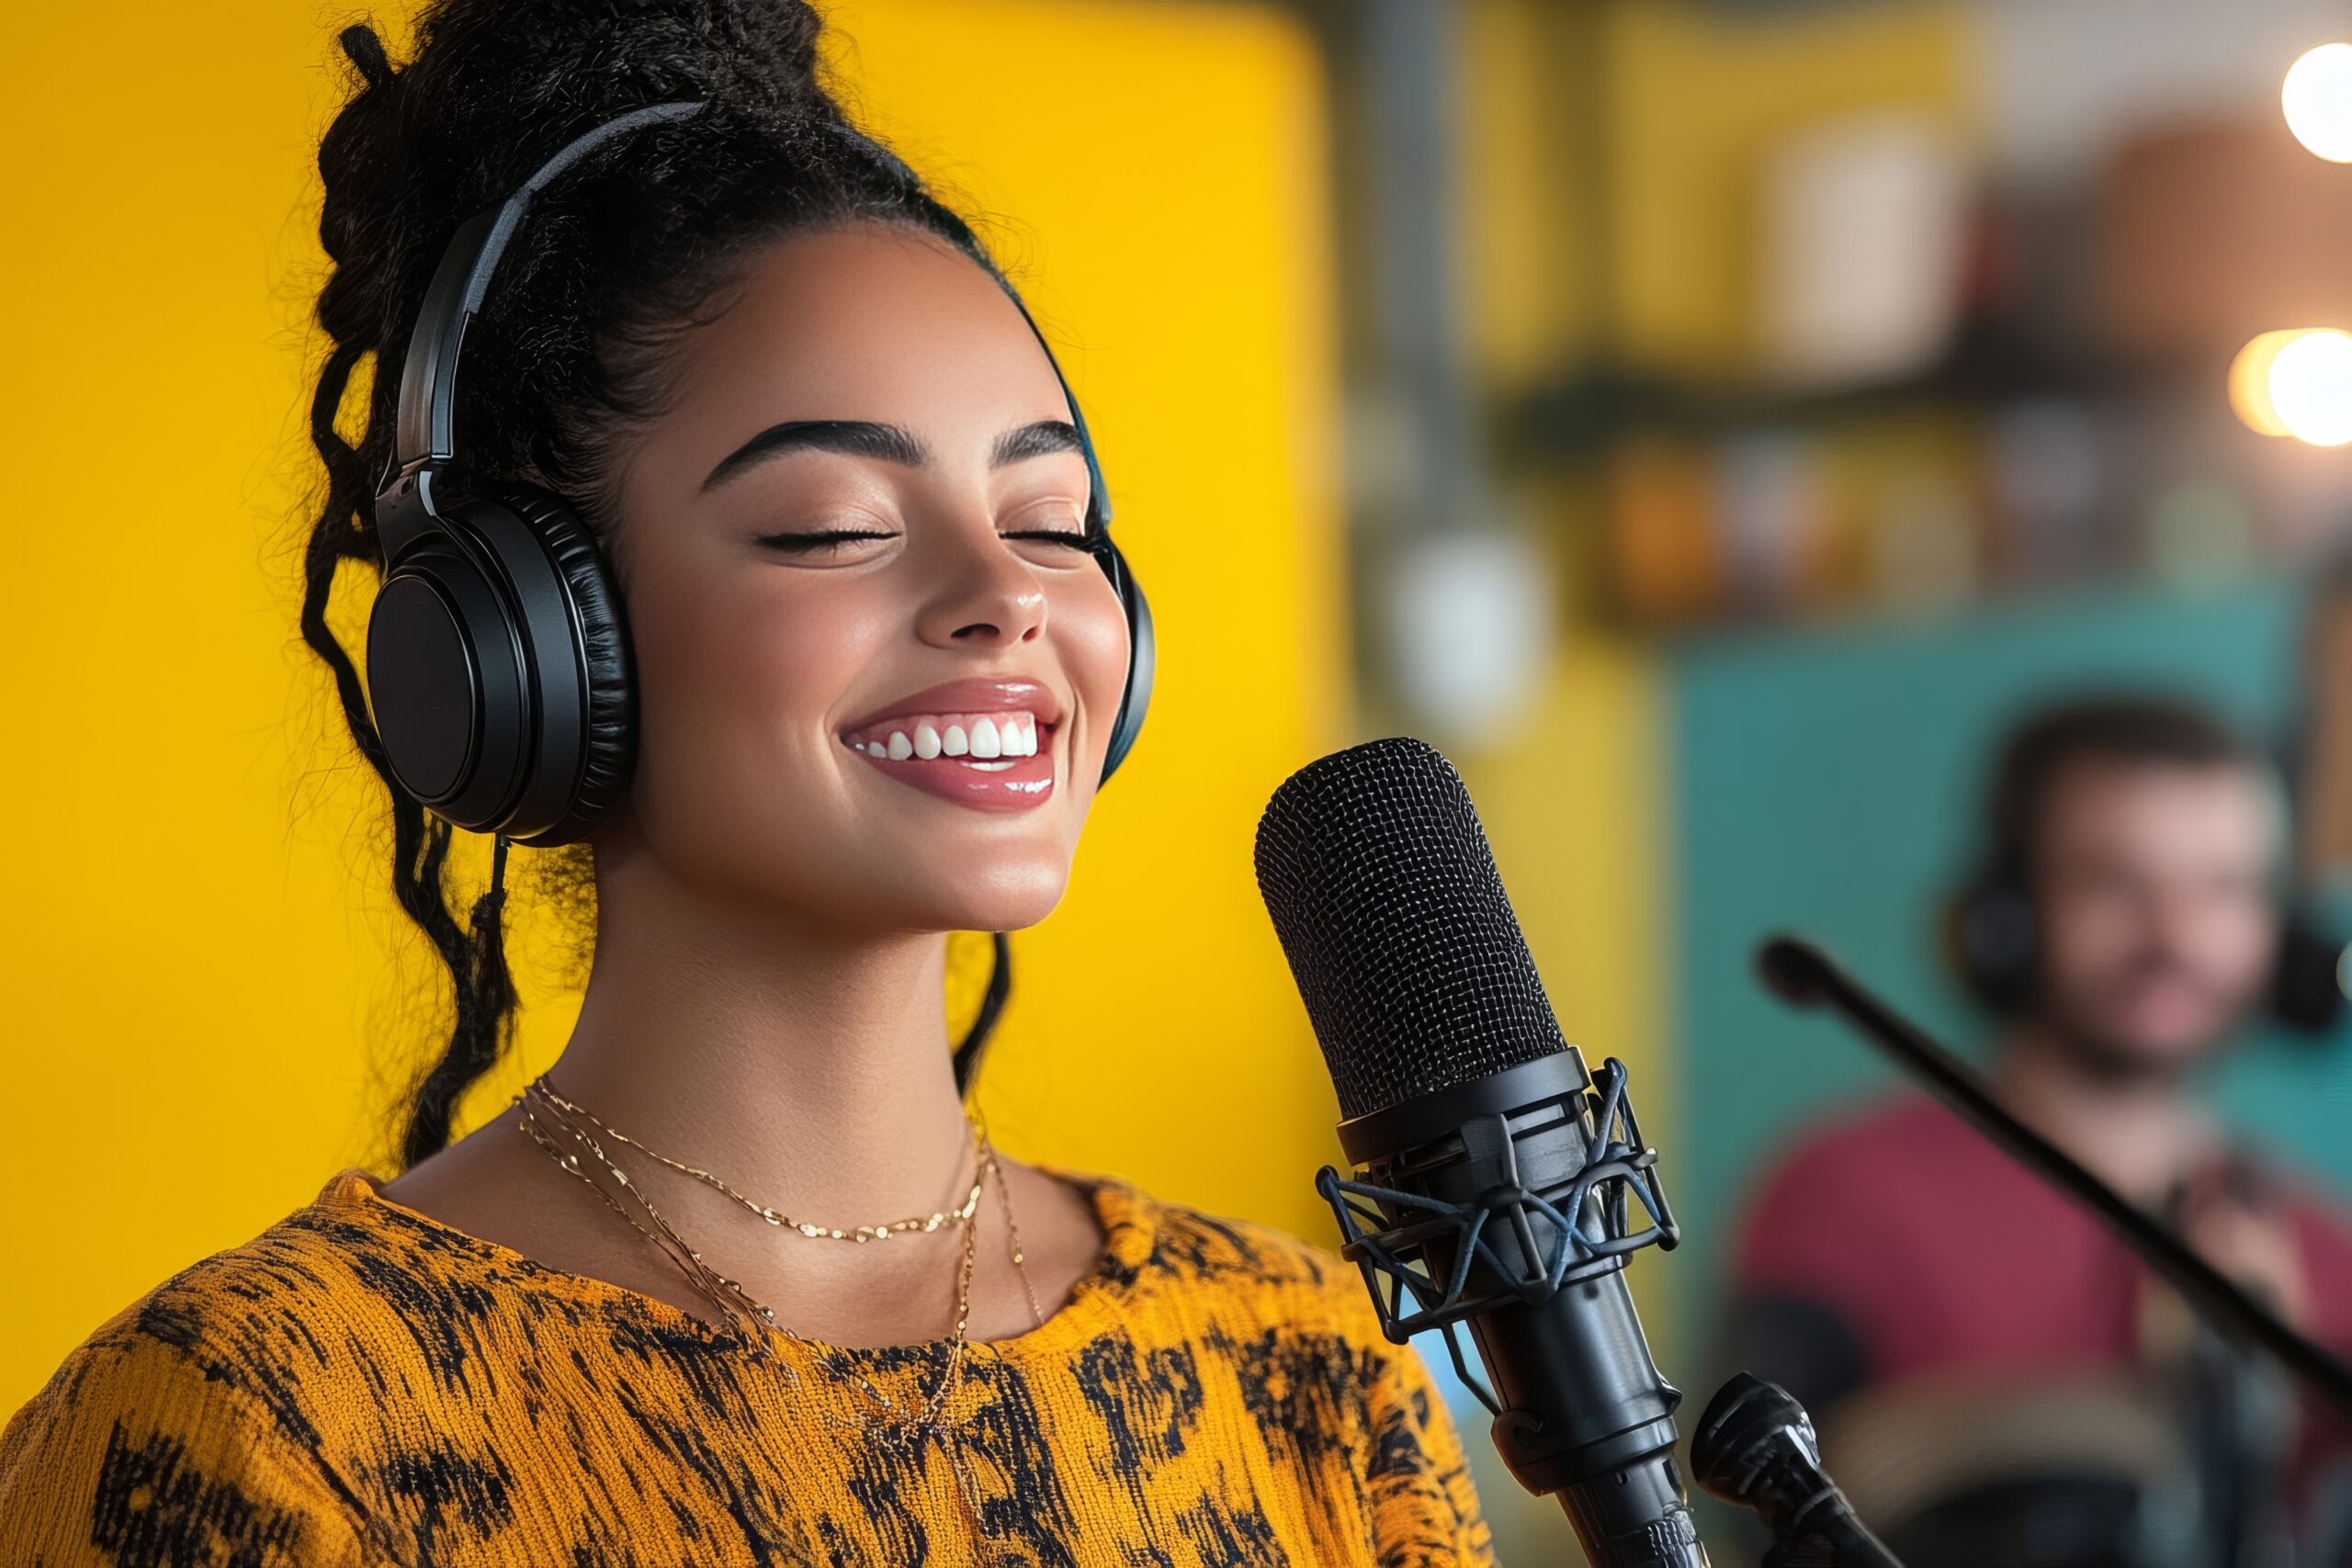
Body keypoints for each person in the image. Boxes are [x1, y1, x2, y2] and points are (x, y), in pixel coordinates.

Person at [0, 5, 1494, 1563]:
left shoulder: (1302, 1364)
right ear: (527, 639)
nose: (1007, 595)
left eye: (1050, 518)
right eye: (834, 526)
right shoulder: (272, 1423)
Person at [1721, 692, 2352, 1563]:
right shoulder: (1839, 1198)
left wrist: (2269, 1402)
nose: (2176, 934)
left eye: (2223, 887)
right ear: (2004, 922)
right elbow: (1746, 1516)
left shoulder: (2324, 1253)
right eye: (2114, 881)